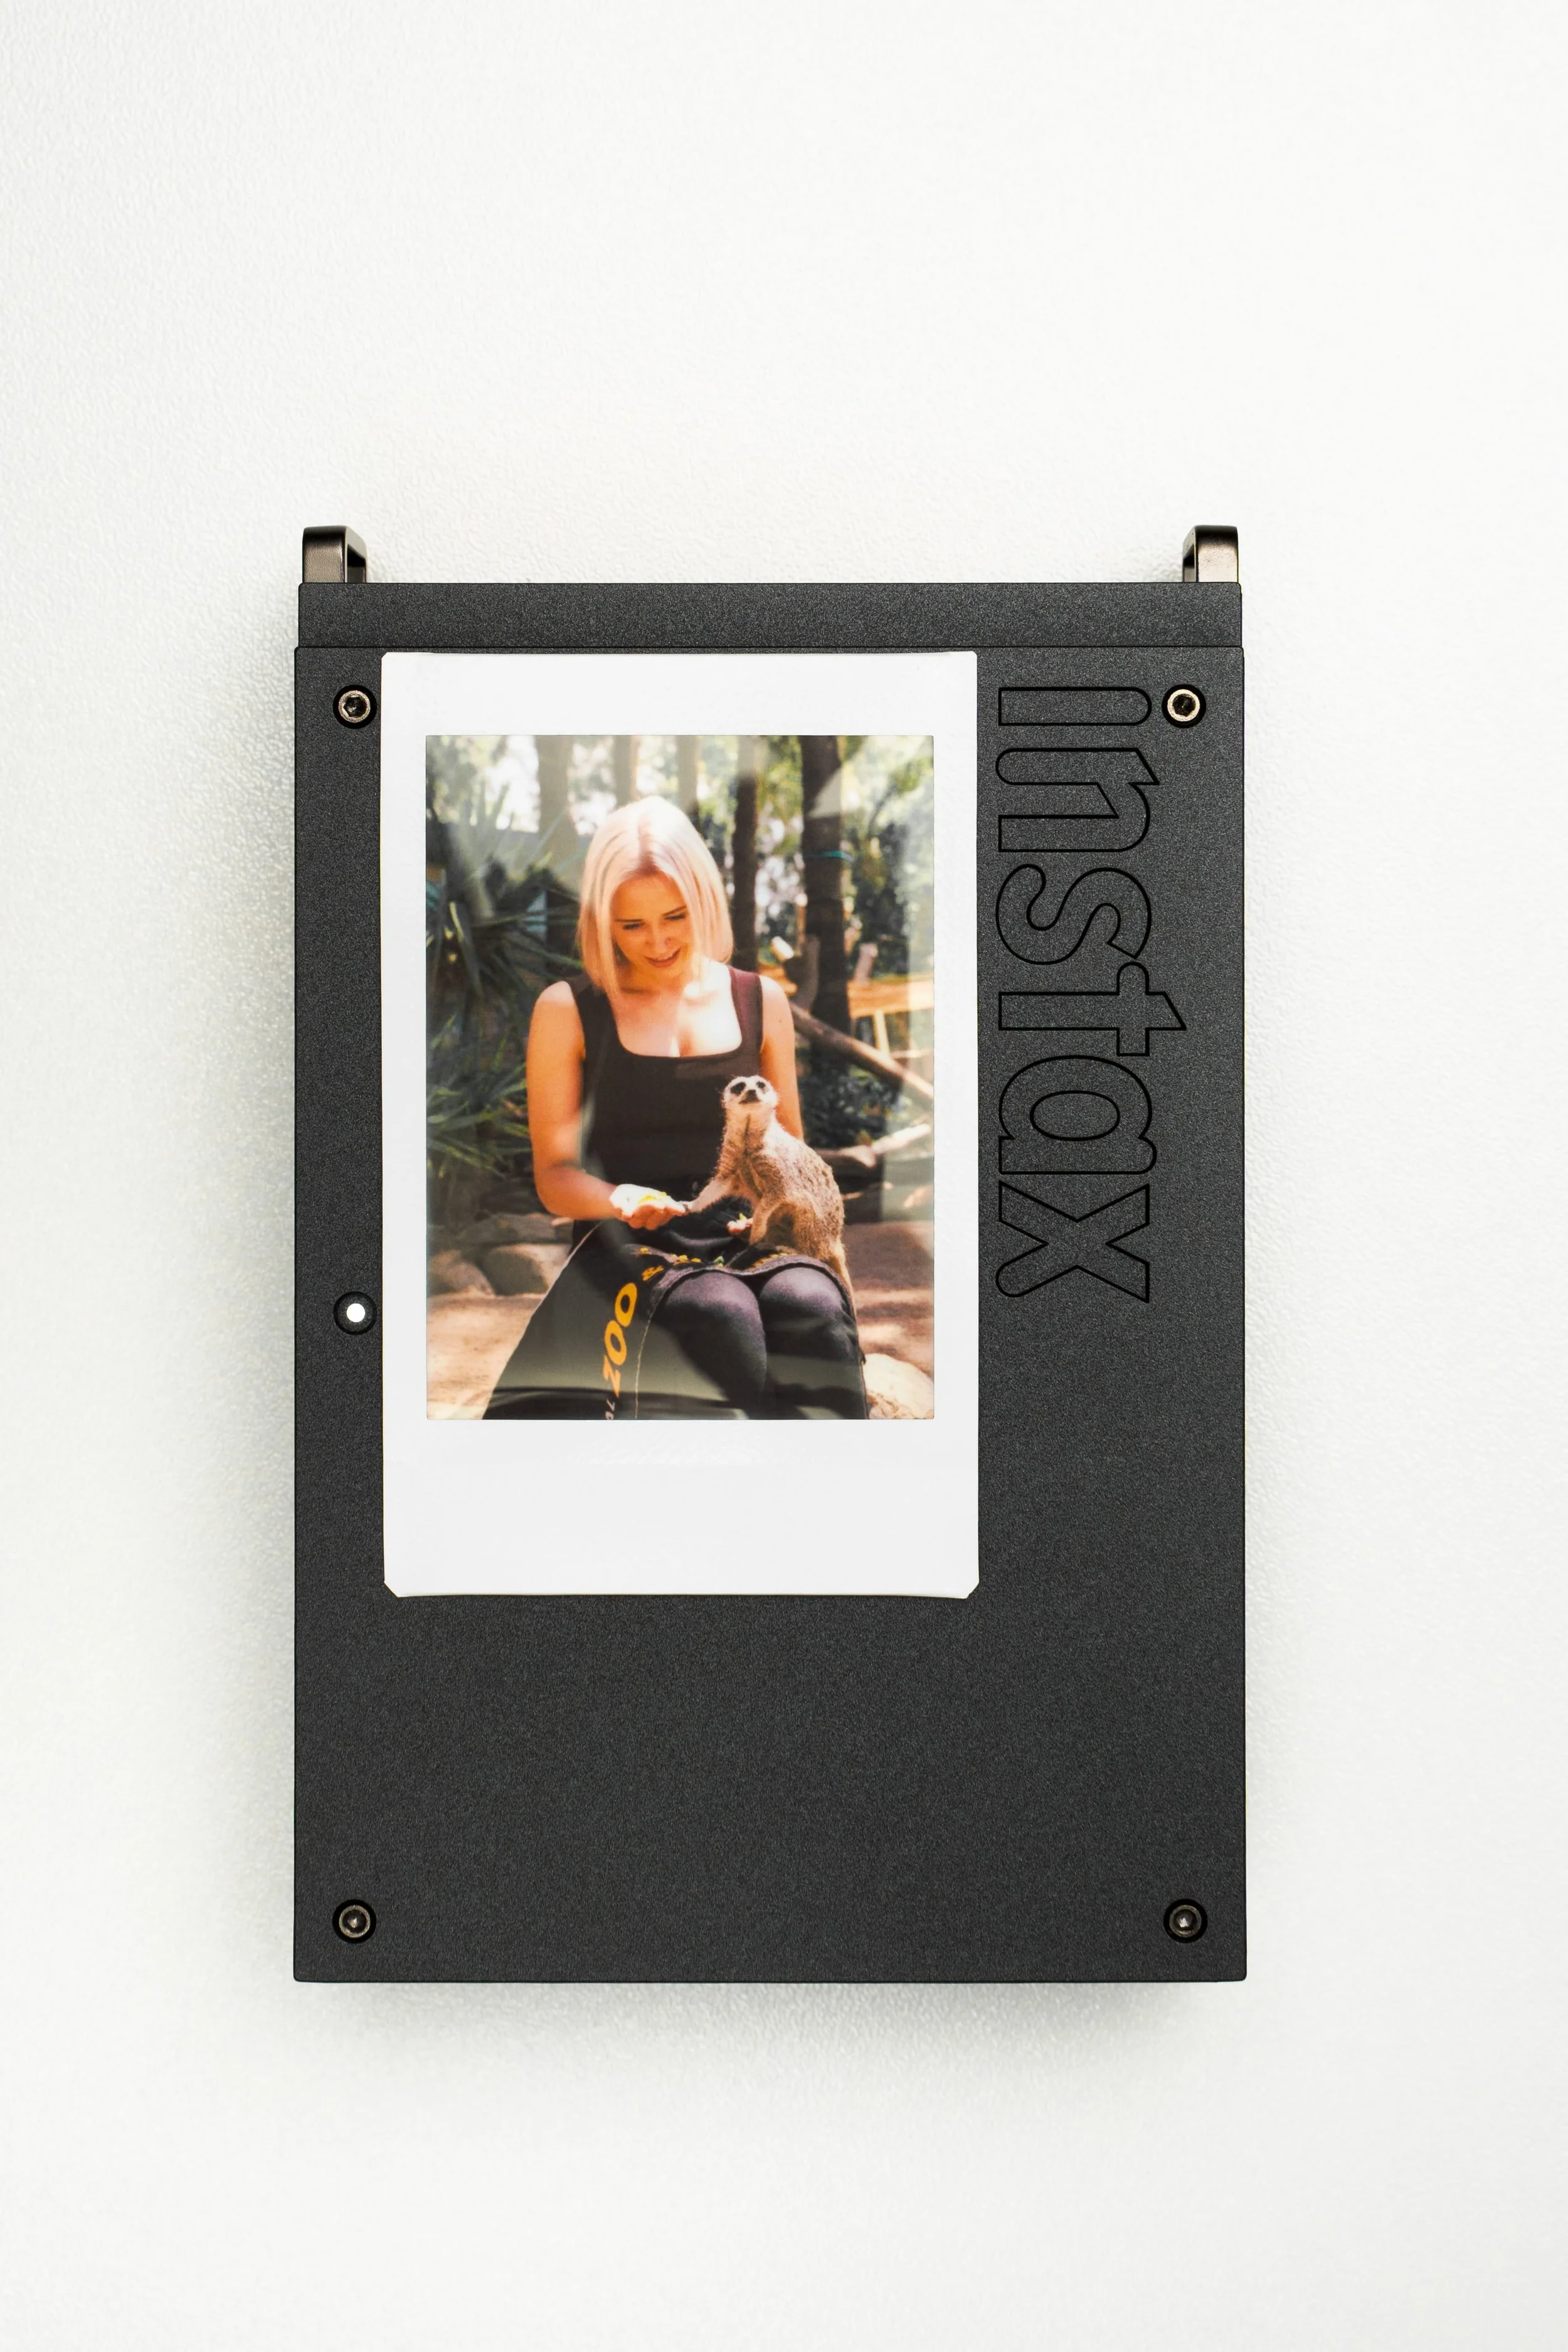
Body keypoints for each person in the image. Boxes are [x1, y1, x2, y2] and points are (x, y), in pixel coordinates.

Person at [485, 796, 866, 1419]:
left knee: (813, 1307)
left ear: (703, 901)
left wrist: (781, 1226)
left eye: (675, 916)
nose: (658, 941)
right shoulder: (566, 1009)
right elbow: (554, 1178)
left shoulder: (761, 999)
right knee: (718, 1312)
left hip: (750, 1234)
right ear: (601, 921)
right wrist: (619, 1198)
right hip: (630, 1245)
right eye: (631, 925)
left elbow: (792, 1152)